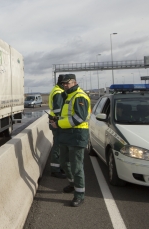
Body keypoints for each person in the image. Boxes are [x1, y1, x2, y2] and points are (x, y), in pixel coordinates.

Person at [50, 73, 91, 207]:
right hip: (66, 134)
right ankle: (73, 184)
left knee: (76, 166)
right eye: (64, 83)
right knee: (64, 162)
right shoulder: (67, 95)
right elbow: (65, 115)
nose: (65, 85)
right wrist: (56, 120)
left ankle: (79, 195)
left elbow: (80, 118)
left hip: (77, 135)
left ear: (74, 82)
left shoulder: (79, 96)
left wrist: (59, 124)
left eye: (67, 83)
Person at [48, 74, 66, 179]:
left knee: (58, 145)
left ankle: (59, 167)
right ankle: (55, 170)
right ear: (63, 83)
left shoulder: (56, 90)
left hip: (54, 121)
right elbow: (58, 110)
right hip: (57, 122)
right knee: (58, 146)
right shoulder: (59, 93)